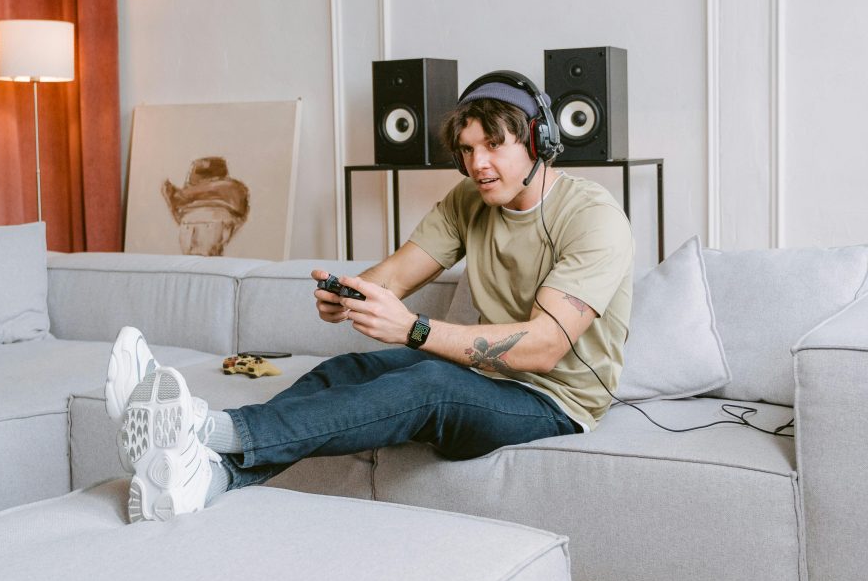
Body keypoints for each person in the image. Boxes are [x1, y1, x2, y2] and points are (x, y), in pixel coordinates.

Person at [104, 71, 634, 522]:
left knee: (428, 383)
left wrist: (414, 329)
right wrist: (354, 293)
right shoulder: (469, 201)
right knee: (346, 371)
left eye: (494, 145)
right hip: (490, 377)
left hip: (555, 400)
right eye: (468, 150)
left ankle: (208, 429)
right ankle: (211, 476)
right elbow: (399, 275)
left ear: (539, 141)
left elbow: (543, 348)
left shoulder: (592, 217)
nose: (478, 164)